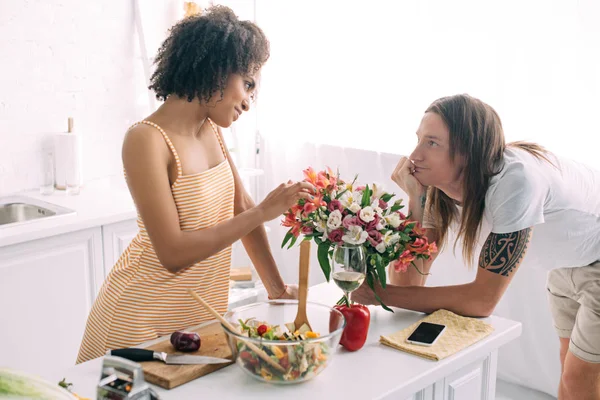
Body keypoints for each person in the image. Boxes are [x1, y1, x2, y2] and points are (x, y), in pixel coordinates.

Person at [76, 6, 314, 363]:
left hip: (195, 320)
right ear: (216, 69)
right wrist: (265, 211)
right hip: (137, 320)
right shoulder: (146, 140)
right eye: (247, 84)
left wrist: (276, 289)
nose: (249, 101)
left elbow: (241, 208)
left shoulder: (211, 131)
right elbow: (172, 254)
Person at [353, 94, 600, 400]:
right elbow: (408, 281)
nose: (414, 155)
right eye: (418, 140)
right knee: (571, 370)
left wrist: (375, 294)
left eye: (432, 143)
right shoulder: (439, 189)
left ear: (467, 152)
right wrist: (415, 198)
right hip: (566, 263)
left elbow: (482, 300)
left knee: (579, 379)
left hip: (596, 261)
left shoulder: (516, 182)